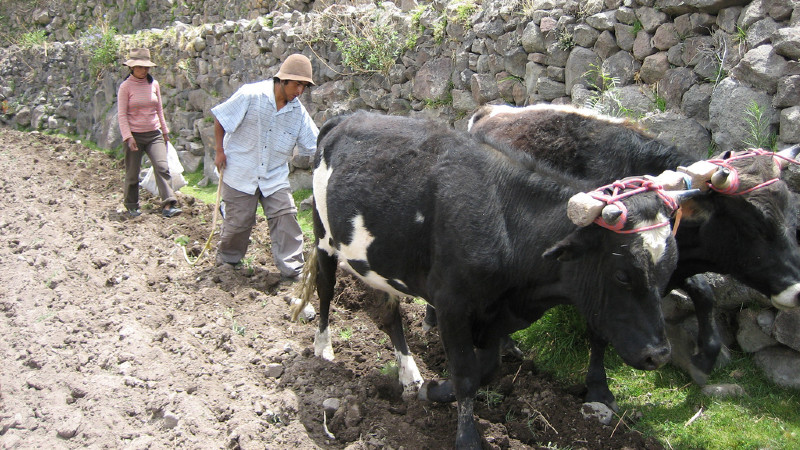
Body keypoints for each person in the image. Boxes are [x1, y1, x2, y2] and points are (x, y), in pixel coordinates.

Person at [211, 54, 318, 280]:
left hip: (274, 176)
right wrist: (219, 151)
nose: (299, 91)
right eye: (297, 84)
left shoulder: (297, 112)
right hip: (241, 171)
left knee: (286, 216)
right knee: (239, 223)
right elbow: (221, 118)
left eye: (304, 86)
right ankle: (228, 261)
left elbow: (315, 144)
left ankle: (293, 270)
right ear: (283, 80)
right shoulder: (251, 95)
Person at [117, 47, 182, 218]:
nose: (143, 70)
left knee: (162, 167)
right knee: (132, 172)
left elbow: (159, 109)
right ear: (131, 67)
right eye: (139, 67)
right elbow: (122, 114)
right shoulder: (125, 87)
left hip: (154, 133)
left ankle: (169, 204)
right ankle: (131, 205)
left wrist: (165, 131)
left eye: (146, 67)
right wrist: (128, 136)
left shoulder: (154, 84)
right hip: (134, 135)